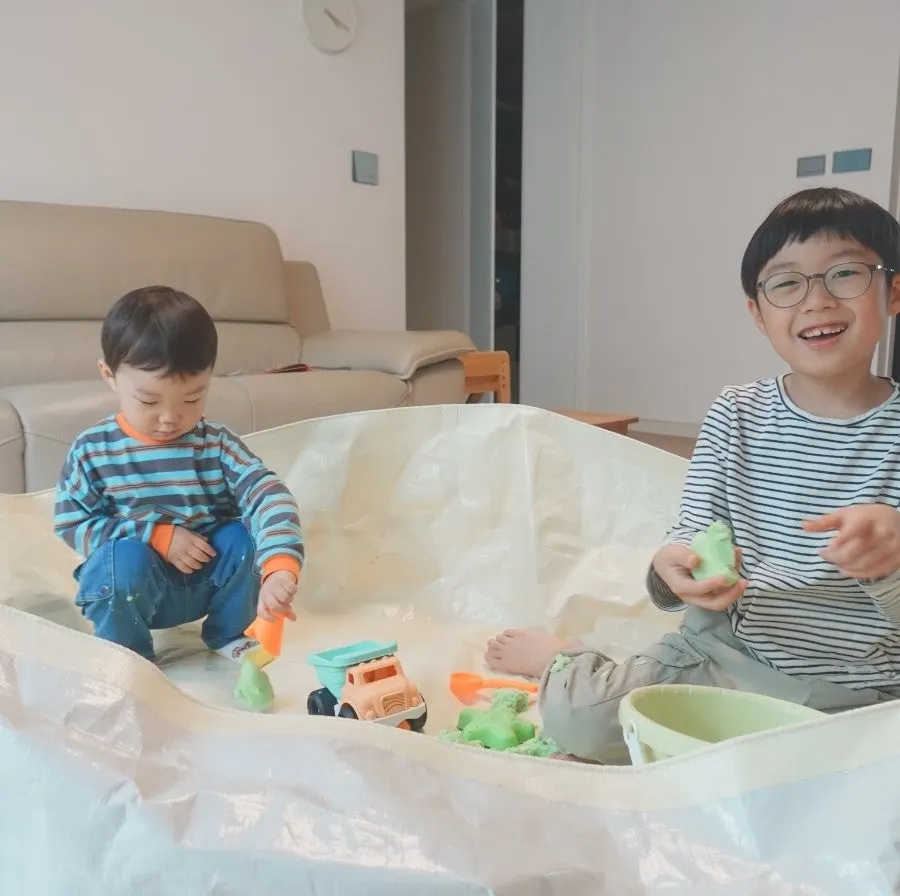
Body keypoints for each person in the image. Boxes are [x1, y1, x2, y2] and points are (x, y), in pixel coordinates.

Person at [485, 186, 900, 763]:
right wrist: (672, 566)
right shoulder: (736, 413)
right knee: (581, 719)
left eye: (845, 274)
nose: (817, 301)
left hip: (862, 693)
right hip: (727, 656)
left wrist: (891, 562)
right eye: (786, 284)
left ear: (892, 292)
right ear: (758, 314)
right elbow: (693, 535)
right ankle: (567, 660)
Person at [54, 285, 305, 664]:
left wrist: (279, 567)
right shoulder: (93, 450)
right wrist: (155, 535)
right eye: (148, 400)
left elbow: (268, 493)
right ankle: (130, 654)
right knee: (119, 561)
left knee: (243, 536)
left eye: (192, 399)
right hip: (133, 590)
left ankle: (229, 632)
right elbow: (72, 523)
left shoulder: (215, 445)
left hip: (207, 581)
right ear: (109, 375)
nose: (170, 418)